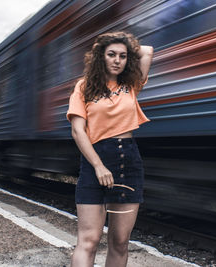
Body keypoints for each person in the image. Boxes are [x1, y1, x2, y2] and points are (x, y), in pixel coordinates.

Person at [66, 31, 153, 267]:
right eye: (111, 55)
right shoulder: (83, 87)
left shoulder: (131, 85)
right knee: (89, 240)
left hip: (128, 162)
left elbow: (147, 50)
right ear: (99, 57)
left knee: (120, 241)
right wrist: (98, 166)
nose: (117, 60)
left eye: (122, 56)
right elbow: (78, 131)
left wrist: (125, 45)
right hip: (96, 162)